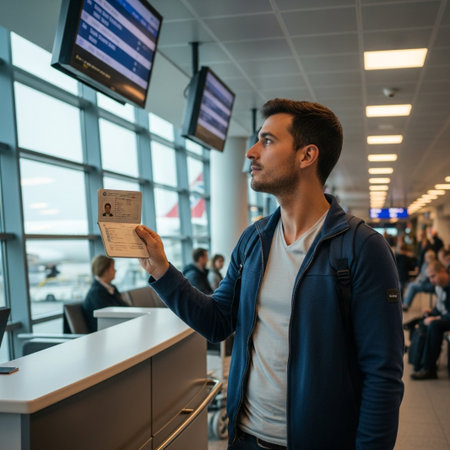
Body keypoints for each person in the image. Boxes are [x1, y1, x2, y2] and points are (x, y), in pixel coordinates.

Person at [135, 98, 404, 449]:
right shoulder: (254, 240)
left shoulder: (361, 247)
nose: (250, 152)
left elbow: (383, 375)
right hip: (246, 438)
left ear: (307, 156)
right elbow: (218, 321)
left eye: (267, 141)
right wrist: (162, 270)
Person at [410, 260, 450, 380]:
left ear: (442, 271)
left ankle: (429, 368)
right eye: (429, 277)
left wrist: (436, 318)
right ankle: (419, 361)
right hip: (445, 318)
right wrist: (431, 312)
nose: (431, 280)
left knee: (434, 325)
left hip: (446, 319)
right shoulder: (439, 287)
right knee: (424, 320)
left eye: (433, 276)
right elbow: (441, 308)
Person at [82, 255, 128, 332]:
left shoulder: (111, 288)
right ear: (105, 270)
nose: (115, 271)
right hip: (101, 333)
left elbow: (124, 308)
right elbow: (109, 316)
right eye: (113, 268)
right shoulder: (96, 292)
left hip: (113, 328)